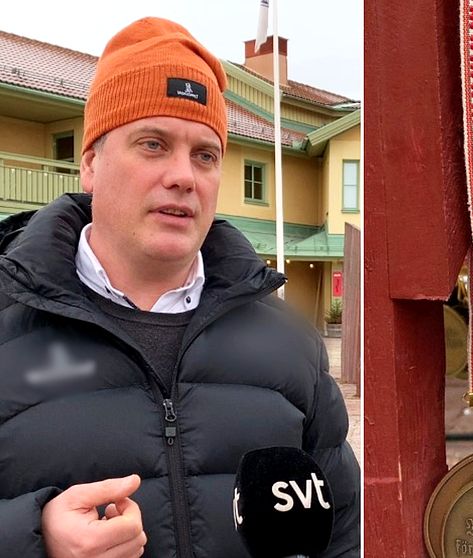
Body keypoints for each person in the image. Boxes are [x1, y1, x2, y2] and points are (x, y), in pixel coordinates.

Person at [0, 17, 360, 557]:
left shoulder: (289, 343)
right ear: (91, 164)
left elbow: (343, 526)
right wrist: (33, 537)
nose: (183, 176)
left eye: (205, 155)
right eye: (153, 144)